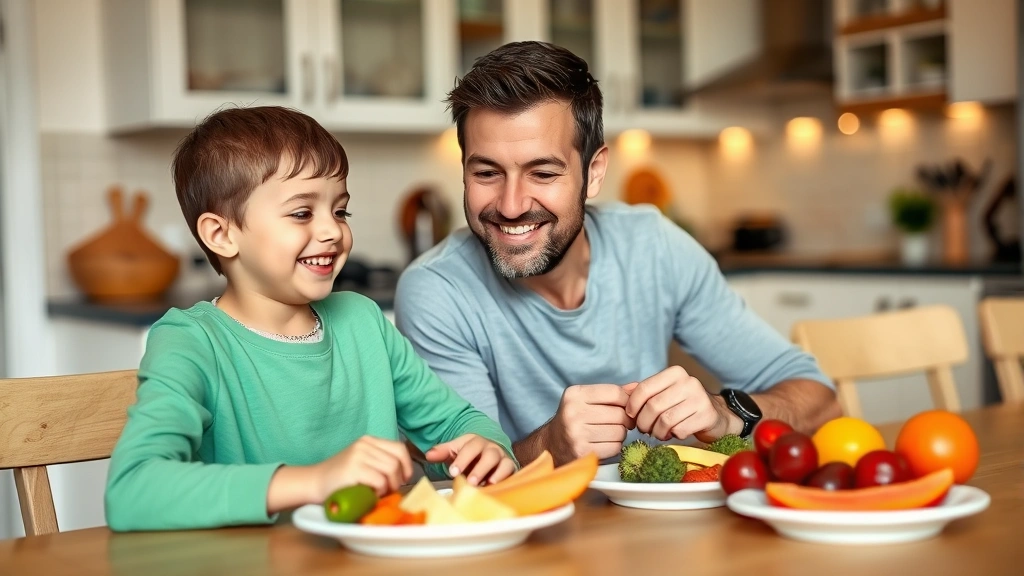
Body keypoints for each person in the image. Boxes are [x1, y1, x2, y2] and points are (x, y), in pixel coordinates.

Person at [395, 42, 841, 467]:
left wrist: (727, 414)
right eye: (488, 172)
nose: (511, 205)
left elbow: (820, 399)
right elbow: (461, 474)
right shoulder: (438, 290)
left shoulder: (655, 247)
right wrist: (550, 446)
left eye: (543, 172)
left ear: (593, 173)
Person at [105, 106, 515, 531]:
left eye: (340, 211)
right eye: (302, 213)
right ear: (221, 235)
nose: (333, 231)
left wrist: (487, 448)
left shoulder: (362, 321)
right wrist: (315, 480)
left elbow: (456, 422)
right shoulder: (192, 342)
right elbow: (133, 490)